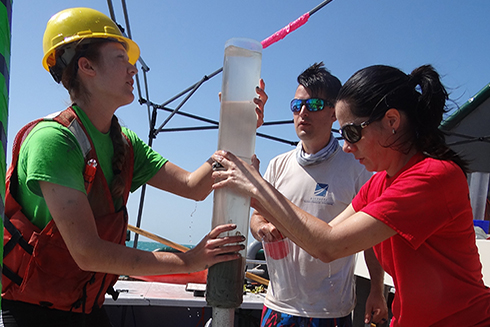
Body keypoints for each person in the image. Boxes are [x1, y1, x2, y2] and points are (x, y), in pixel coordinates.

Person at [1, 7, 267, 327]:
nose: (133, 69)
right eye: (120, 58)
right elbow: (87, 252)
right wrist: (189, 259)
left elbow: (194, 187)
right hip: (34, 314)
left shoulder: (124, 143)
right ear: (86, 66)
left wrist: (240, 126)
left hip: (86, 310)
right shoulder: (53, 140)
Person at [211, 64, 490, 326]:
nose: (345, 147)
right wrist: (254, 178)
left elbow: (329, 246)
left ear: (392, 120)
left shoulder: (431, 177)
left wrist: (257, 186)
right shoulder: (379, 182)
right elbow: (325, 234)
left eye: (352, 132)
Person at [249, 62, 387, 327]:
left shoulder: (356, 166)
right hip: (278, 304)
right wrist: (262, 228)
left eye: (313, 106)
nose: (302, 113)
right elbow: (256, 215)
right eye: (296, 106)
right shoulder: (278, 164)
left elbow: (373, 240)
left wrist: (377, 290)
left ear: (334, 112)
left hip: (330, 310)